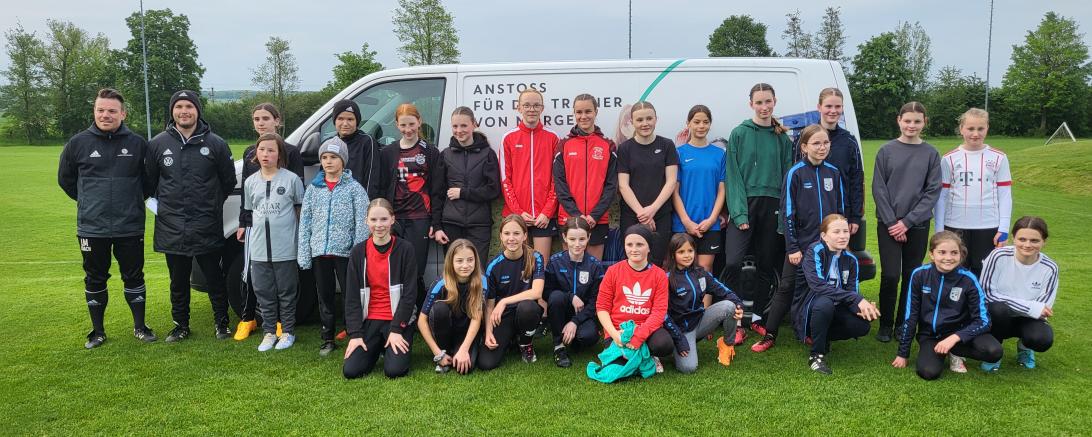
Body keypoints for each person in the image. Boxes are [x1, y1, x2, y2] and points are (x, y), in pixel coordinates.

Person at [58, 88, 156, 348]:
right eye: (101, 110)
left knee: (134, 276)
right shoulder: (77, 143)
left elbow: (149, 182)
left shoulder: (137, 144)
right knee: (94, 278)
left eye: (112, 111)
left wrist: (130, 200)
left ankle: (140, 327)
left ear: (122, 113)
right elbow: (65, 181)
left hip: (129, 225)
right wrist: (90, 201)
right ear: (94, 111)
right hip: (92, 226)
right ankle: (98, 331)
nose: (106, 115)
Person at [146, 90, 236, 342]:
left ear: (197, 110)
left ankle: (221, 323)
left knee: (213, 277)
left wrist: (209, 205)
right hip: (171, 225)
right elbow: (150, 183)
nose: (184, 111)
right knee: (177, 280)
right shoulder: (157, 144)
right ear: (172, 111)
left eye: (189, 106)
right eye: (179, 106)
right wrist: (167, 209)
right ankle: (181, 325)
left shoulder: (216, 143)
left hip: (206, 223)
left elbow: (227, 181)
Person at [753, 124, 846, 353]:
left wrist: (840, 238)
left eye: (825, 143)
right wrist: (793, 247)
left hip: (828, 246)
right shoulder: (795, 173)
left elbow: (841, 211)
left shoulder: (833, 173)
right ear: (804, 147)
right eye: (816, 143)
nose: (822, 147)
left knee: (818, 289)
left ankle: (809, 332)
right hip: (802, 246)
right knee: (787, 287)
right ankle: (770, 333)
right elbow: (787, 213)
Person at [723, 83, 794, 336]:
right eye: (759, 102)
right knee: (732, 262)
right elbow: (733, 176)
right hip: (745, 205)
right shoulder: (739, 133)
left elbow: (788, 179)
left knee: (766, 265)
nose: (764, 107)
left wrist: (782, 218)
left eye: (768, 102)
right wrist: (740, 213)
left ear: (775, 102)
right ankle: (734, 317)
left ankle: (757, 319)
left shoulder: (782, 138)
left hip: (773, 205)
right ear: (750, 103)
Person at [234, 102, 305, 341]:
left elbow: (297, 199)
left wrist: (300, 232)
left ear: (277, 120)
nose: (261, 122)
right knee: (257, 279)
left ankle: (285, 328)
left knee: (285, 285)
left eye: (265, 118)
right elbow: (247, 196)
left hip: (284, 237)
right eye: (256, 119)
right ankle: (254, 320)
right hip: (259, 234)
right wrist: (243, 222)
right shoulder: (249, 158)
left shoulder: (291, 155)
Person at [872, 102, 942, 342]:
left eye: (917, 121)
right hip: (888, 224)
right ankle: (885, 324)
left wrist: (908, 222)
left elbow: (932, 192)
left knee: (912, 275)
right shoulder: (886, 151)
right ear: (899, 120)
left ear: (924, 122)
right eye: (907, 120)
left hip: (917, 225)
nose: (912, 125)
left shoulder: (931, 154)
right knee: (891, 275)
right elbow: (879, 189)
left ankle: (903, 323)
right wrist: (893, 222)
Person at [892, 231, 1001, 380]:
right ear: (932, 254)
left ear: (960, 255)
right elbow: (911, 316)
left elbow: (983, 321)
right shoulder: (919, 275)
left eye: (954, 253)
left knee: (993, 352)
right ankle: (940, 351)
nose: (948, 258)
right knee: (928, 372)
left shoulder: (968, 279)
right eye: (942, 252)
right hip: (931, 336)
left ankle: (956, 352)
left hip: (960, 335)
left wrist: (955, 337)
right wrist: (902, 353)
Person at [298, 137, 370, 356]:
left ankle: (354, 331)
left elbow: (362, 221)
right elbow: (306, 221)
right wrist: (304, 251)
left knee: (351, 293)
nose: (329, 162)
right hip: (320, 250)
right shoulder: (314, 189)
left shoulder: (354, 189)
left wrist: (358, 251)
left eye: (334, 157)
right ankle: (327, 336)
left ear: (343, 161)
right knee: (325, 294)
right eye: (325, 158)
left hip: (346, 252)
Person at [342, 199, 419, 379]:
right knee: (351, 371)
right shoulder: (358, 252)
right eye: (374, 220)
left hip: (397, 318)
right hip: (370, 319)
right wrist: (355, 334)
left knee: (394, 370)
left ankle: (389, 346)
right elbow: (352, 298)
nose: (379, 225)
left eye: (384, 219)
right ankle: (377, 347)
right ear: (366, 221)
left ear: (393, 219)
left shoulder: (405, 249)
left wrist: (397, 329)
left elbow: (410, 296)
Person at [793, 214, 879, 374]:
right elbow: (817, 285)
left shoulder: (851, 260)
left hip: (836, 307)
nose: (842, 236)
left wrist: (863, 309)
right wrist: (856, 299)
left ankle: (823, 337)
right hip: (811, 305)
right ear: (824, 236)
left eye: (845, 231)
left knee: (862, 326)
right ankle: (816, 355)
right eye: (836, 232)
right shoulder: (814, 251)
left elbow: (851, 293)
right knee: (825, 303)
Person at [935, 108, 1012, 276]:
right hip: (954, 226)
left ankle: (979, 303)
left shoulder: (999, 157)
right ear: (961, 129)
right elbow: (941, 196)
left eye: (980, 129)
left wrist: (1004, 227)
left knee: (983, 274)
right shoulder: (949, 159)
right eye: (970, 129)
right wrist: (939, 230)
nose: (975, 134)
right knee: (953, 272)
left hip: (988, 227)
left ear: (987, 128)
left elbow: (1005, 194)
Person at [380, 103, 442, 307]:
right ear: (396, 125)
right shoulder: (388, 152)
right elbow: (382, 187)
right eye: (403, 125)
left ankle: (419, 312)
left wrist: (436, 222)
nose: (408, 129)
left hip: (420, 218)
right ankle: (396, 311)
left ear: (419, 122)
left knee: (415, 270)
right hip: (395, 219)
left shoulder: (431, 152)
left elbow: (437, 190)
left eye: (412, 124)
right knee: (395, 267)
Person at [980, 216, 1058, 372]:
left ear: (1044, 241)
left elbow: (1043, 308)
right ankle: (995, 352)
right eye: (1022, 239)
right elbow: (987, 294)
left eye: (1034, 241)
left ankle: (1024, 347)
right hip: (997, 316)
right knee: (998, 309)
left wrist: (1033, 309)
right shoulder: (997, 256)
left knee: (1042, 339)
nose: (1027, 245)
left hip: (1027, 319)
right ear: (1013, 239)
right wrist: (1031, 307)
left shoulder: (1050, 267)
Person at [596, 224, 673, 372]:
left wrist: (639, 336)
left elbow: (659, 312)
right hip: (619, 330)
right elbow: (602, 307)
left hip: (646, 329)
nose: (634, 249)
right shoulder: (613, 271)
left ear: (649, 247)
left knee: (664, 345)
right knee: (618, 364)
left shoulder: (659, 275)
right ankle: (637, 356)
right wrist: (614, 334)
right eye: (629, 244)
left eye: (640, 244)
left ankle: (650, 355)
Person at [663, 233, 743, 373]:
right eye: (681, 252)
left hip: (700, 323)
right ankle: (677, 348)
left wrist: (738, 305)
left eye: (690, 251)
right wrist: (679, 339)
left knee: (730, 306)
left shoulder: (701, 273)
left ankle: (726, 344)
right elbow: (663, 314)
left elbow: (724, 291)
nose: (687, 255)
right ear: (672, 254)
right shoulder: (667, 278)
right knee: (688, 368)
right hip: (681, 330)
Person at [553, 93, 618, 260]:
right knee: (570, 270)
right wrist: (576, 215)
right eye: (579, 112)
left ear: (596, 111)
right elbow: (559, 184)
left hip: (597, 219)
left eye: (588, 111)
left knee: (594, 269)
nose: (583, 116)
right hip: (569, 218)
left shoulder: (608, 145)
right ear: (573, 113)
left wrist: (594, 216)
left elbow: (611, 186)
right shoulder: (563, 145)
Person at [479, 215, 546, 370]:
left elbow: (537, 292)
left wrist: (504, 301)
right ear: (501, 236)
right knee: (486, 363)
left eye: (516, 233)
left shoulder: (536, 257)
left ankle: (525, 343)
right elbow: (489, 305)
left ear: (524, 235)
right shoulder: (493, 265)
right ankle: (510, 339)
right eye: (507, 234)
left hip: (526, 313)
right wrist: (488, 332)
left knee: (527, 308)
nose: (511, 238)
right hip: (505, 317)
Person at [433, 106, 501, 258]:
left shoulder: (487, 154)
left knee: (478, 272)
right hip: (451, 224)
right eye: (455, 126)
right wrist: (437, 226)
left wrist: (463, 193)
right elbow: (437, 193)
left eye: (464, 125)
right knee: (454, 272)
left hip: (479, 225)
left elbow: (493, 190)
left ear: (474, 124)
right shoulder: (445, 155)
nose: (459, 130)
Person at [501, 88, 561, 260]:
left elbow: (557, 179)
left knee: (542, 266)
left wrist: (547, 212)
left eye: (536, 105)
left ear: (542, 109)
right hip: (517, 217)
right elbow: (505, 179)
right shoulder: (509, 138)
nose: (531, 109)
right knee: (519, 268)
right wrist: (518, 212)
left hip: (544, 217)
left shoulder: (552, 137)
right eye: (526, 105)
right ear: (519, 108)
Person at [617, 101, 678, 265]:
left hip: (661, 215)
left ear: (656, 119)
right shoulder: (624, 149)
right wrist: (642, 214)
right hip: (632, 216)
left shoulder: (667, 145)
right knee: (632, 262)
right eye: (639, 120)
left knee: (657, 262)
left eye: (649, 118)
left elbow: (671, 181)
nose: (645, 124)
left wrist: (652, 210)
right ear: (632, 122)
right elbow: (623, 185)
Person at [672, 105, 725, 274]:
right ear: (688, 124)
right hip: (683, 224)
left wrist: (712, 219)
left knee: (705, 270)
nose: (701, 126)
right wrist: (686, 221)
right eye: (696, 122)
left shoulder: (720, 154)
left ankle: (705, 303)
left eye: (705, 122)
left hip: (710, 224)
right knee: (683, 269)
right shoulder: (679, 153)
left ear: (710, 124)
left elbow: (722, 190)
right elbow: (674, 191)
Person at [419, 238, 485, 375]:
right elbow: (421, 320)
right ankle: (445, 353)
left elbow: (476, 317)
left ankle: (459, 350)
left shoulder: (481, 281)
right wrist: (437, 353)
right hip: (446, 330)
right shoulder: (440, 283)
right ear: (451, 262)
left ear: (476, 260)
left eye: (470, 260)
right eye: (459, 261)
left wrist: (464, 349)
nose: (465, 265)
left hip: (468, 332)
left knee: (467, 367)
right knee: (439, 309)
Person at [544, 217, 604, 368]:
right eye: (572, 239)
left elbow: (596, 301)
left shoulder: (595, 266)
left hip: (583, 315)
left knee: (589, 337)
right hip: (561, 312)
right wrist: (570, 297)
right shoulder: (555, 261)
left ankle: (575, 338)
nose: (577, 244)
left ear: (589, 237)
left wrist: (575, 322)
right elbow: (546, 292)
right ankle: (559, 346)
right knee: (556, 297)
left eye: (582, 239)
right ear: (564, 237)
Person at [815, 88, 865, 236]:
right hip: (812, 213)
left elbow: (856, 180)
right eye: (828, 106)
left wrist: (855, 216)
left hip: (841, 213)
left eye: (838, 106)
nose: (833, 111)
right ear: (819, 107)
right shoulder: (805, 138)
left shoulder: (849, 141)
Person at [330, 99, 386, 200]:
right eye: (340, 118)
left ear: (357, 121)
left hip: (359, 203)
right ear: (334, 120)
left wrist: (367, 207)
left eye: (350, 119)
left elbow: (372, 179)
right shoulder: (330, 143)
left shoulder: (367, 141)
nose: (345, 123)